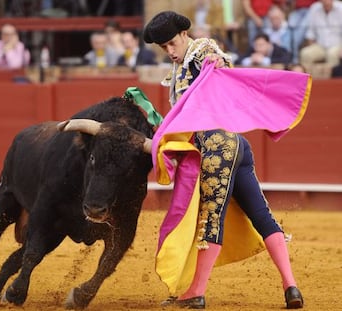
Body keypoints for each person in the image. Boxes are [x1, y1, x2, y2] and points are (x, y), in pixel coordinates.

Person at [143, 10, 305, 309]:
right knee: (261, 216)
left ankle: (197, 292)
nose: (169, 51)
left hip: (216, 146)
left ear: (183, 35)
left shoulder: (200, 48)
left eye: (171, 44)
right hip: (236, 147)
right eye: (163, 47)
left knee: (211, 218)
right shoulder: (178, 71)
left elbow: (217, 60)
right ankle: (291, 287)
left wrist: (217, 62)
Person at [299, 0, 342, 72]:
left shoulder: (341, 8)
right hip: (320, 45)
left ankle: (331, 82)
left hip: (338, 45)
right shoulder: (314, 8)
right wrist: (311, 45)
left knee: (332, 54)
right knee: (305, 53)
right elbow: (310, 33)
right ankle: (308, 80)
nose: (326, 3)